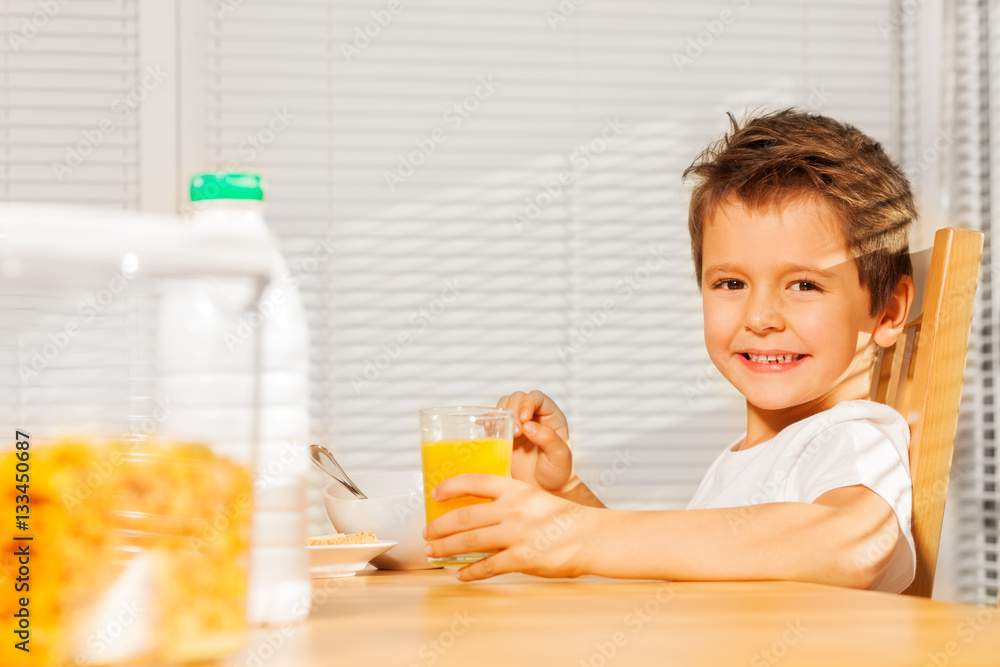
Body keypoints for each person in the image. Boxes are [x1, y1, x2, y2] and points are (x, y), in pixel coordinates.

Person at [423, 108, 917, 592]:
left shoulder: (853, 437)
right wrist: (563, 498)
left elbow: (854, 545)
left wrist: (579, 534)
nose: (760, 317)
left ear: (888, 312)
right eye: (730, 282)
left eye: (805, 285)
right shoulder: (747, 460)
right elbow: (669, 580)